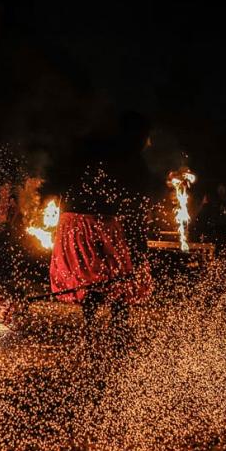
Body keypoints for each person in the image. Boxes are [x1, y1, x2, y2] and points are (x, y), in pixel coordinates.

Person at [43, 111, 155, 339]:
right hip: (93, 220)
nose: (149, 142)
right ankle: (113, 325)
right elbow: (134, 195)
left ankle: (102, 325)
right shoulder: (124, 156)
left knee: (95, 275)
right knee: (113, 273)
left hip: (78, 219)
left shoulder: (90, 150)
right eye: (147, 138)